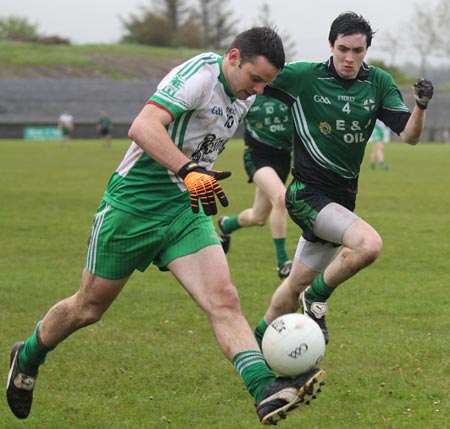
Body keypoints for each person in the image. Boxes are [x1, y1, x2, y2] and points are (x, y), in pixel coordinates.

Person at [6, 27, 326, 426]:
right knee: (88, 308)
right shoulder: (201, 76)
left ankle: (264, 389)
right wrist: (189, 170)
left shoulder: (243, 95)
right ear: (233, 58)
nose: (258, 90)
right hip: (133, 206)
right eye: (255, 79)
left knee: (223, 299)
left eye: (266, 83)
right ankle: (30, 353)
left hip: (184, 209)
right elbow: (142, 127)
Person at [253, 12, 434, 347]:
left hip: (340, 202)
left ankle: (253, 342)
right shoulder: (304, 76)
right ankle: (316, 300)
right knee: (369, 245)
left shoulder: (377, 83)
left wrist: (420, 106)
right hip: (307, 195)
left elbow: (409, 136)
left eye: (358, 50)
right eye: (343, 49)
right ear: (330, 46)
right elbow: (252, 80)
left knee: (293, 285)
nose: (349, 58)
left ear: (366, 50)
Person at [218, 94, 294, 278]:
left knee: (258, 217)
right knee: (281, 198)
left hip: (283, 158)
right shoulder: (249, 96)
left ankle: (227, 225)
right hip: (258, 156)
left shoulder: (290, 92)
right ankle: (283, 262)